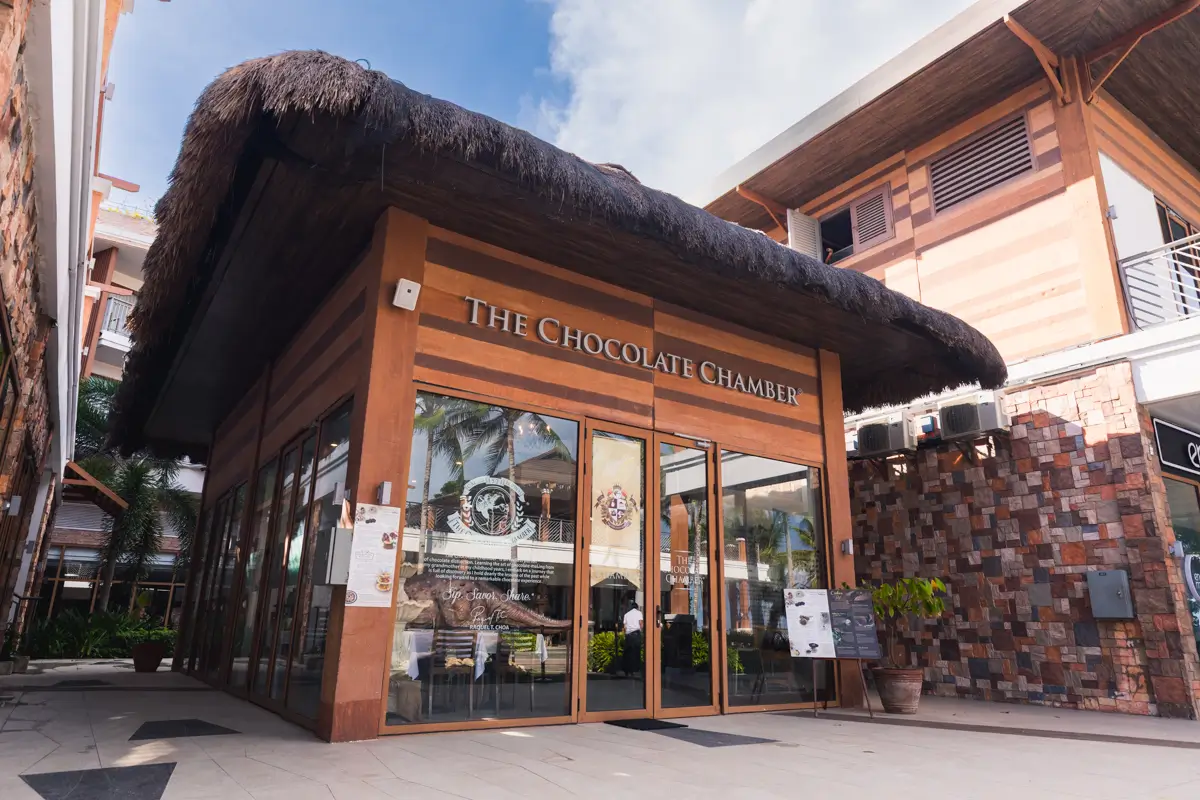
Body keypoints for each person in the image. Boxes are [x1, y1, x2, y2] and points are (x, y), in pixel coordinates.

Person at [622, 600, 644, 676]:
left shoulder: (626, 614)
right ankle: (634, 670)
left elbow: (624, 627)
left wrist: (625, 634)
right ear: (637, 608)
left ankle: (627, 670)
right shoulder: (639, 613)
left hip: (628, 635)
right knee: (636, 652)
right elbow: (641, 624)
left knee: (628, 653)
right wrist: (642, 631)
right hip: (636, 634)